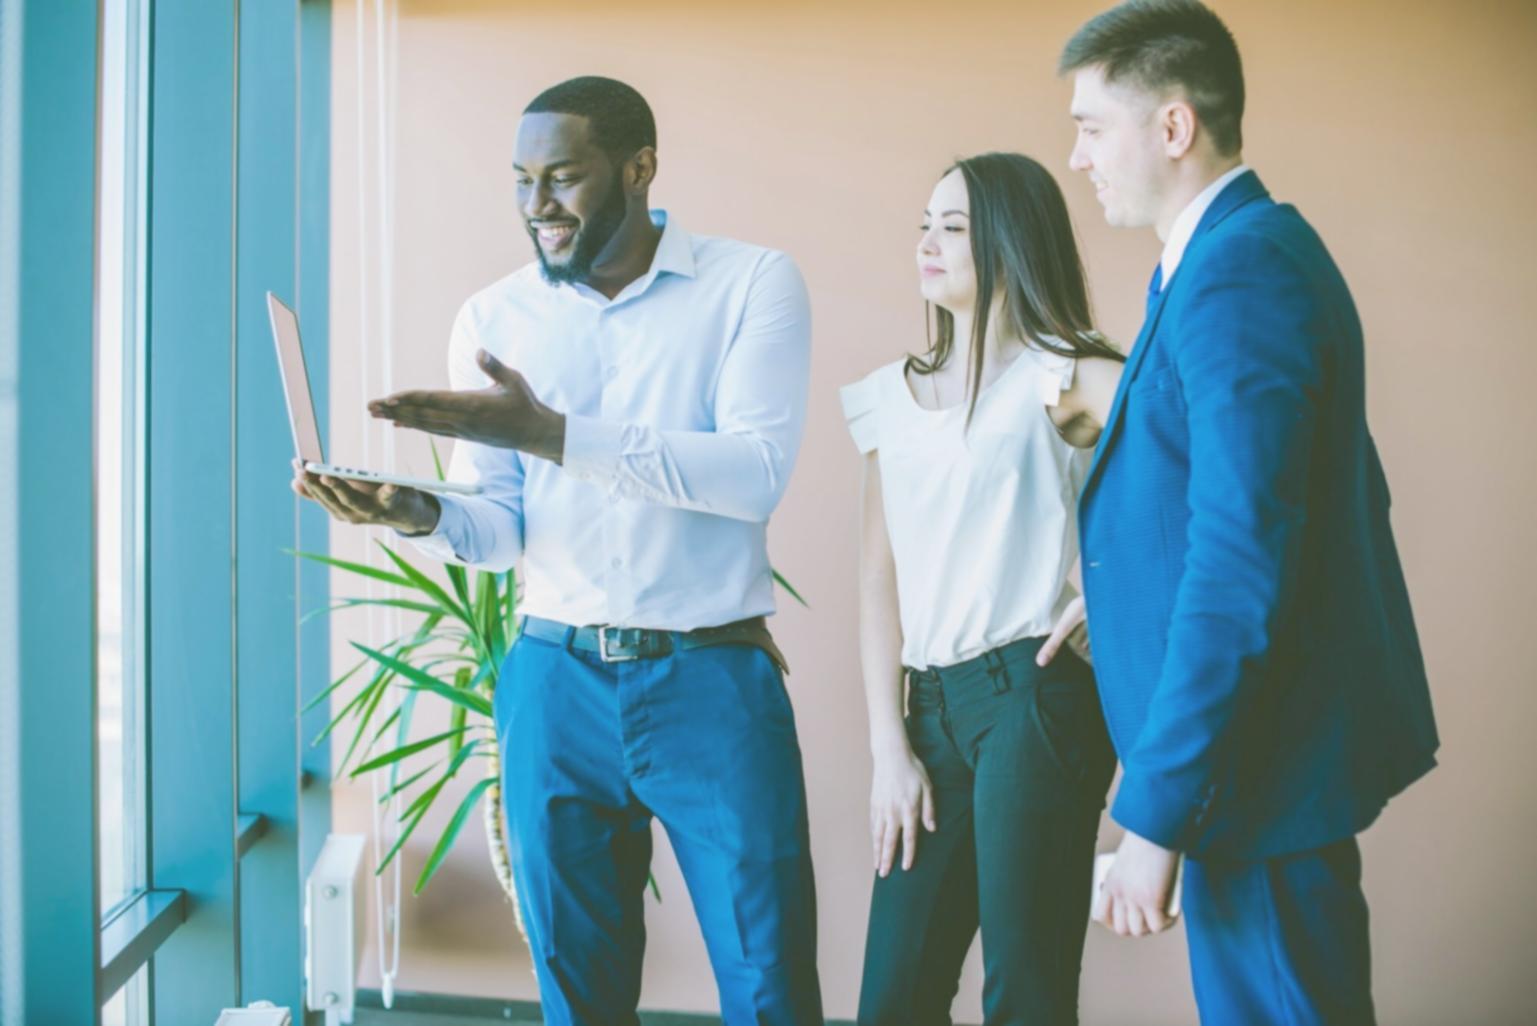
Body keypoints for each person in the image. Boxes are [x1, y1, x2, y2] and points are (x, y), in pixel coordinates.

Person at [292, 76, 822, 1026]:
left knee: (770, 982)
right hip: (552, 680)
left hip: (712, 681)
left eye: (564, 177)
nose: (537, 205)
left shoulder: (751, 282)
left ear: (639, 168)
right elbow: (498, 531)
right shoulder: (493, 317)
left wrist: (553, 434)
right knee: (576, 991)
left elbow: (752, 473)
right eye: (522, 180)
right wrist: (413, 509)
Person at [1057, 2, 1439, 1022]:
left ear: (1172, 127)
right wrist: (1116, 587)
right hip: (1249, 765)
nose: (1076, 153)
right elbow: (1239, 498)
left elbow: (1241, 555)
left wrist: (1153, 823)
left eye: (1091, 126)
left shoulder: (1238, 272)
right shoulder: (1215, 258)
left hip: (1256, 775)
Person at [841, 153, 1125, 1026]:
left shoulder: (1064, 373)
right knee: (893, 998)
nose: (928, 242)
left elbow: (1204, 482)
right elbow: (876, 579)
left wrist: (1110, 601)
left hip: (1034, 699)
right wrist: (888, 748)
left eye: (953, 226)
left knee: (1026, 994)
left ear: (1010, 239)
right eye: (923, 223)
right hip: (927, 711)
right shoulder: (889, 396)